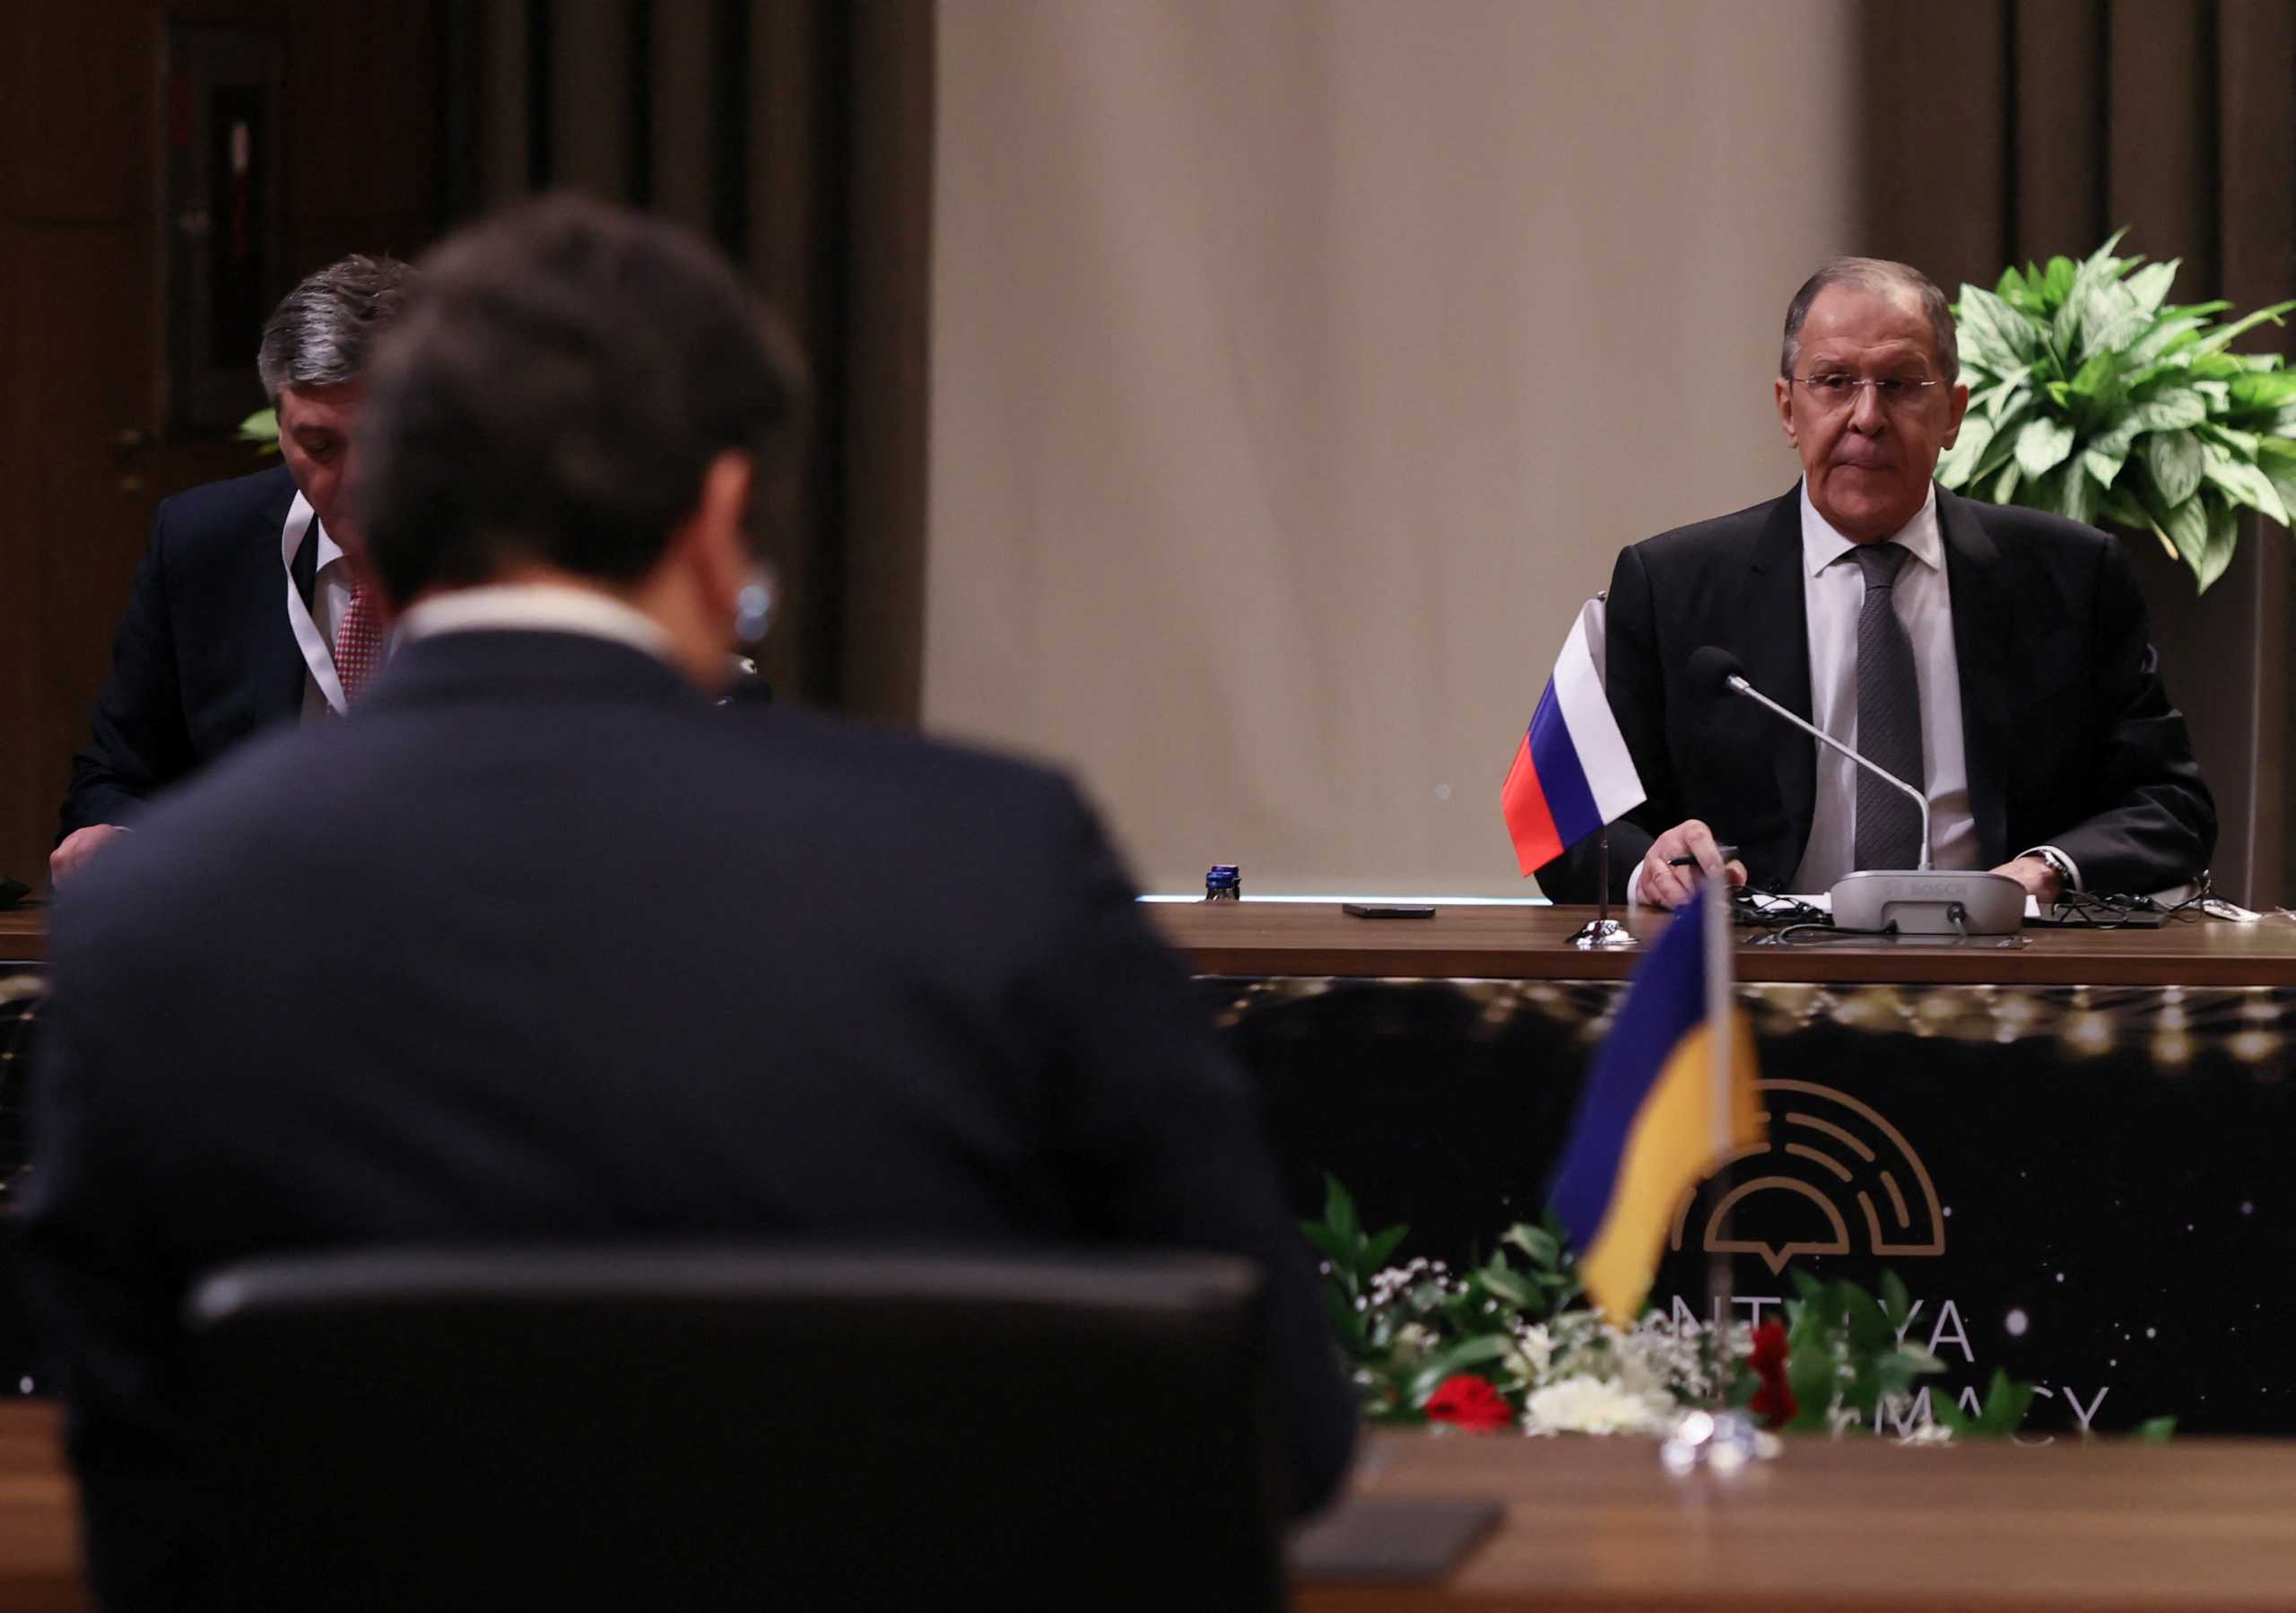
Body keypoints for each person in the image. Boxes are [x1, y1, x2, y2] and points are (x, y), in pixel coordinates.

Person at [25, 196, 1355, 1609]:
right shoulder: (995, 862)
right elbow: (1277, 1428)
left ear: (387, 512)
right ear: (720, 517)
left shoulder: (149, 919)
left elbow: (140, 1498)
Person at [1543, 257, 2214, 908]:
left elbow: (2170, 806)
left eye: (1898, 384)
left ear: (1952, 413)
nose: (1867, 417)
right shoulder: (1672, 586)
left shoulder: (2068, 575)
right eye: (1834, 382)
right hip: (1756, 980)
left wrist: (2045, 872)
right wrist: (1652, 866)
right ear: (1787, 409)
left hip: (2004, 974)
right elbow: (1571, 824)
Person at [50, 255, 415, 884]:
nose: (356, 481)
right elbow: (115, 775)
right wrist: (120, 840)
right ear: (279, 427)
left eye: (385, 442)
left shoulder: (531, 560)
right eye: (320, 446)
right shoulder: (206, 541)